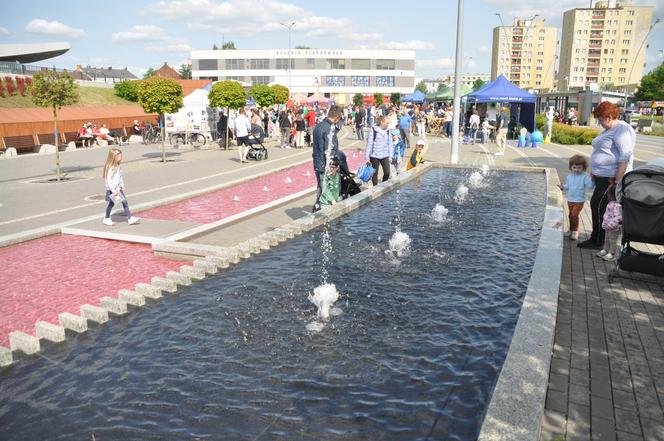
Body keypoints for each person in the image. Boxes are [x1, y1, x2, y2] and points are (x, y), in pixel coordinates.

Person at [578, 101, 635, 249]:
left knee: (599, 205)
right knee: (598, 205)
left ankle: (597, 240)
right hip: (602, 176)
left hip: (610, 177)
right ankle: (597, 237)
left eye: (600, 119)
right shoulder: (609, 129)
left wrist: (617, 179)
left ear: (609, 116)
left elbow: (625, 155)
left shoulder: (622, 130)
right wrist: (595, 170)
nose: (599, 122)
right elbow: (602, 152)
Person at [312, 105, 345, 212]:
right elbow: (329, 150)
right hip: (327, 165)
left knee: (322, 188)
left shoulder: (318, 126)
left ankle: (316, 209)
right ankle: (326, 213)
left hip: (318, 162)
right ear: (337, 117)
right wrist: (334, 166)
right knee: (330, 191)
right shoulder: (330, 129)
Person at [559, 155, 594, 241]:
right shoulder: (569, 177)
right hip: (570, 199)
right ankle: (571, 230)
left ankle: (575, 231)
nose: (577, 169)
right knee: (570, 215)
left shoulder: (584, 176)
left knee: (574, 215)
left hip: (579, 200)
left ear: (583, 167)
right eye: (574, 167)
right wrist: (563, 187)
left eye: (579, 167)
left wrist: (592, 179)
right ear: (571, 167)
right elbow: (568, 186)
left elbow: (590, 186)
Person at [102, 148, 140, 226]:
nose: (120, 156)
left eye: (120, 155)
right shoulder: (110, 167)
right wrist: (112, 190)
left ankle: (130, 218)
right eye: (118, 155)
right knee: (111, 204)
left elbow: (120, 176)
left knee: (124, 202)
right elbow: (108, 180)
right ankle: (106, 218)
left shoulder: (118, 166)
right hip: (112, 190)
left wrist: (122, 185)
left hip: (118, 189)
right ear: (113, 156)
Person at [365, 115, 393, 186]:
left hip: (385, 155)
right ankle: (375, 187)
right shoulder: (374, 130)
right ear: (381, 122)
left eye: (388, 123)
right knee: (375, 174)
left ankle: (383, 185)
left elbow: (390, 143)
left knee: (387, 173)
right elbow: (369, 144)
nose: (387, 125)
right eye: (386, 123)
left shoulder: (388, 131)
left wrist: (390, 156)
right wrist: (367, 158)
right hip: (375, 155)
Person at [596, 185, 622, 261]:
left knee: (613, 240)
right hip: (608, 226)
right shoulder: (611, 203)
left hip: (614, 228)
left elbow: (618, 217)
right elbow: (607, 215)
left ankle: (612, 253)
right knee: (607, 239)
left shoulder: (617, 205)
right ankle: (605, 249)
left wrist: (611, 225)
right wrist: (605, 224)